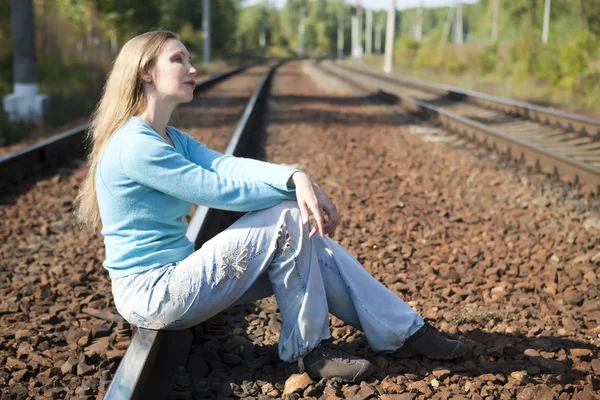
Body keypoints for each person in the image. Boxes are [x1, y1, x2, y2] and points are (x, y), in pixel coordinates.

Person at [76, 30, 465, 383]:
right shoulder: (136, 146)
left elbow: (227, 165)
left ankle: (406, 332)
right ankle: (308, 352)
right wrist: (295, 193)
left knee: (313, 242)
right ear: (146, 72)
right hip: (153, 294)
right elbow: (214, 188)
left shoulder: (169, 137)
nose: (192, 67)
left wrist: (295, 176)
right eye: (178, 59)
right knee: (288, 216)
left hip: (174, 278)